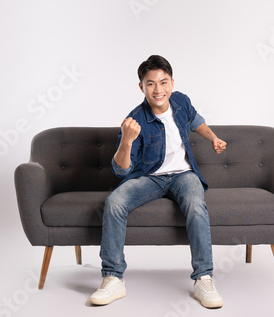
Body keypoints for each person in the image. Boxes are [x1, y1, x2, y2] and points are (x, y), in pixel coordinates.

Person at [89, 55, 227, 308]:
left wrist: (213, 138)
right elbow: (121, 171)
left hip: (184, 175)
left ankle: (204, 278)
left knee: (196, 206)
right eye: (150, 83)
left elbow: (196, 121)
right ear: (141, 87)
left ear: (171, 83)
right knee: (114, 202)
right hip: (148, 178)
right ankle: (113, 278)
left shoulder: (182, 101)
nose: (158, 89)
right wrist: (127, 141)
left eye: (163, 82)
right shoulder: (135, 119)